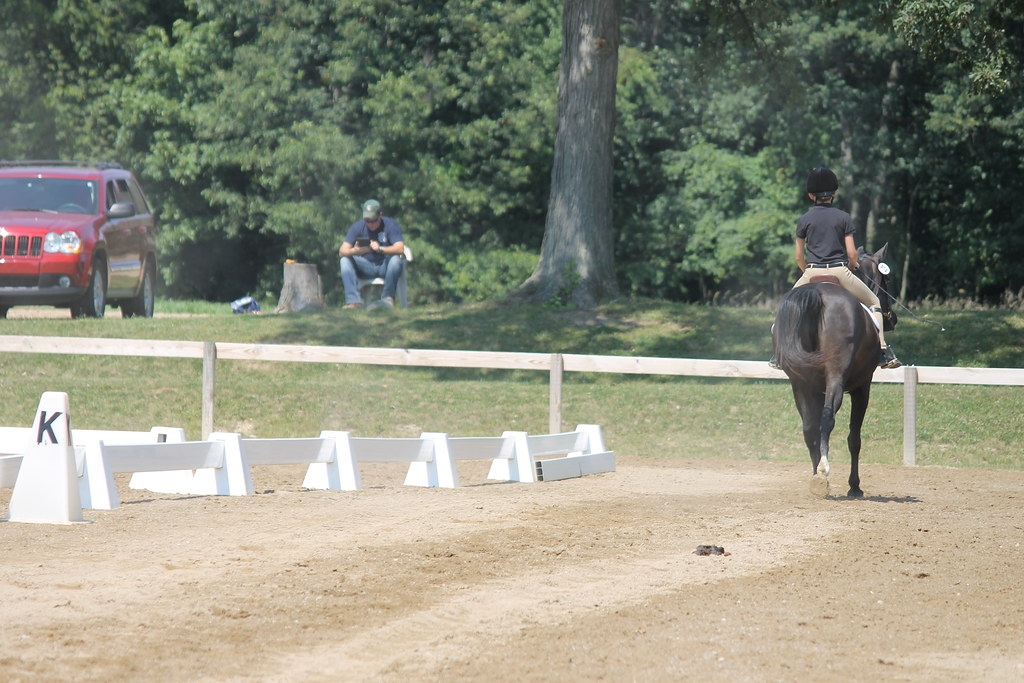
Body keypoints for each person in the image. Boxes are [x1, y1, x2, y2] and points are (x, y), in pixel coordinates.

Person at [772, 167, 900, 369]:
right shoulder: (843, 217)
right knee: (874, 302)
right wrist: (853, 264)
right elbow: (851, 253)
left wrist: (808, 271)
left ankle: (778, 354)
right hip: (839, 271)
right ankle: (882, 352)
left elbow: (798, 256)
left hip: (812, 271)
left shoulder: (804, 219)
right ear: (834, 194)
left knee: (785, 307)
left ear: (811, 195)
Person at [338, 199, 406, 309]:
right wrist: (356, 251)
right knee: (344, 260)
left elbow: (400, 248)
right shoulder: (358, 227)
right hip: (365, 265)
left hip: (385, 265)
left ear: (380, 215)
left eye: (373, 221)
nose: (370, 224)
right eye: (367, 221)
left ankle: (387, 299)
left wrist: (380, 249)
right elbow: (342, 251)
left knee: (395, 260)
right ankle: (353, 301)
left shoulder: (390, 225)